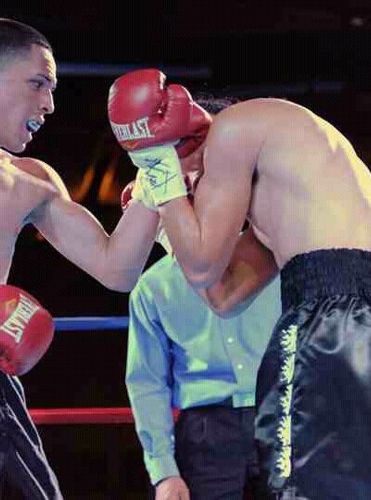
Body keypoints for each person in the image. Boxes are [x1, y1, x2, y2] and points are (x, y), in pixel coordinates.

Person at [0, 19, 211, 498]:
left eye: (53, 90)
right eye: (38, 83)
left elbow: (116, 268)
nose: (49, 104)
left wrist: (156, 165)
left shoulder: (33, 180)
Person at [108, 68, 371, 499]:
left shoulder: (230, 129)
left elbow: (202, 266)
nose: (196, 200)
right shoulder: (290, 197)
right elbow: (222, 295)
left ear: (189, 141)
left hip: (332, 319)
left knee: (301, 484)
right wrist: (169, 231)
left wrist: (160, 172)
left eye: (193, 185)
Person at [124, 174, 281, 499]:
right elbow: (147, 383)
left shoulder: (269, 258)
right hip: (206, 434)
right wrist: (164, 472)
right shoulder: (151, 288)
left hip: (281, 415)